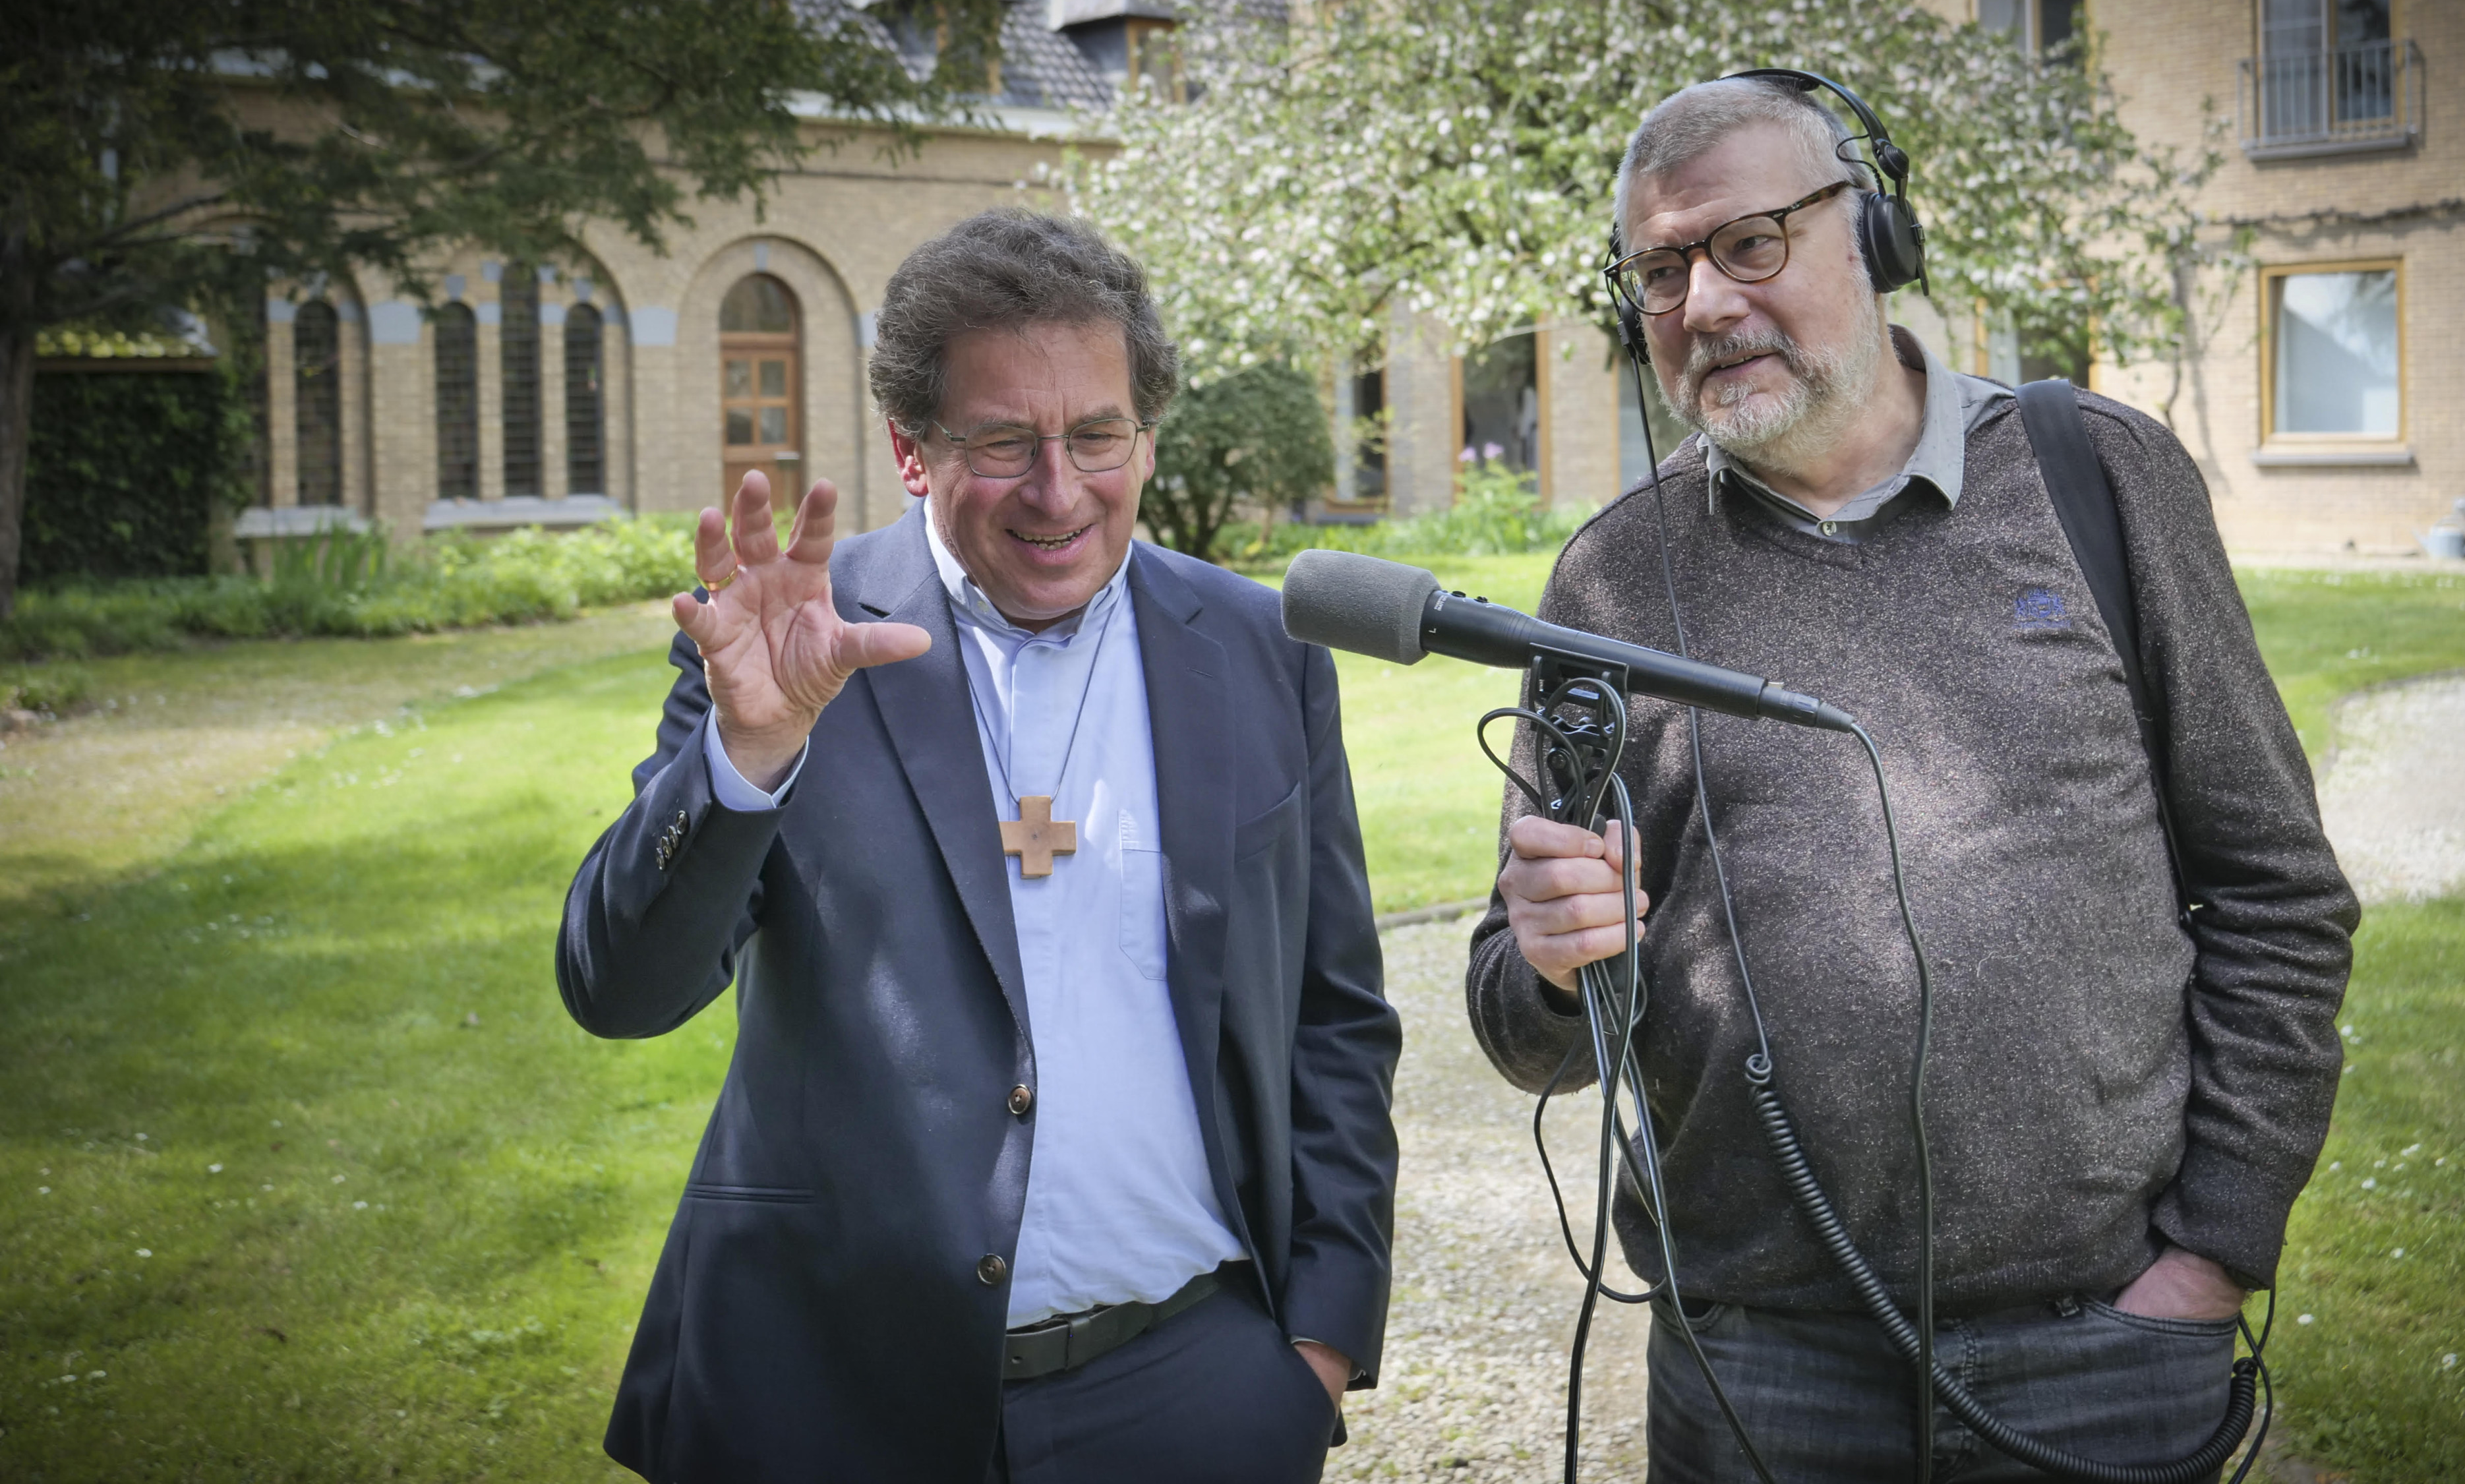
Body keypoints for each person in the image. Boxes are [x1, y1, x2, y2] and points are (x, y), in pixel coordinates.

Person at [1466, 75, 2358, 1481]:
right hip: (1755, 1363)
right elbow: (1522, 1025)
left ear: (1872, 236)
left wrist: (2209, 1252)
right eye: (1658, 268)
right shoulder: (1610, 580)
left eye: (1748, 242)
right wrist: (1551, 965)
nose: (1701, 304)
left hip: (2100, 1346)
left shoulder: (2097, 479)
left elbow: (2276, 892)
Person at [558, 209, 1400, 1484]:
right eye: (1006, 442)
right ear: (911, 447)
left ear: (1145, 433)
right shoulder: (794, 647)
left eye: (1098, 435)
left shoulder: (1260, 649)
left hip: (1192, 1390)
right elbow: (620, 991)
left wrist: (1315, 1350)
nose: (1060, 491)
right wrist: (751, 759)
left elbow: (1335, 1016)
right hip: (831, 1400)